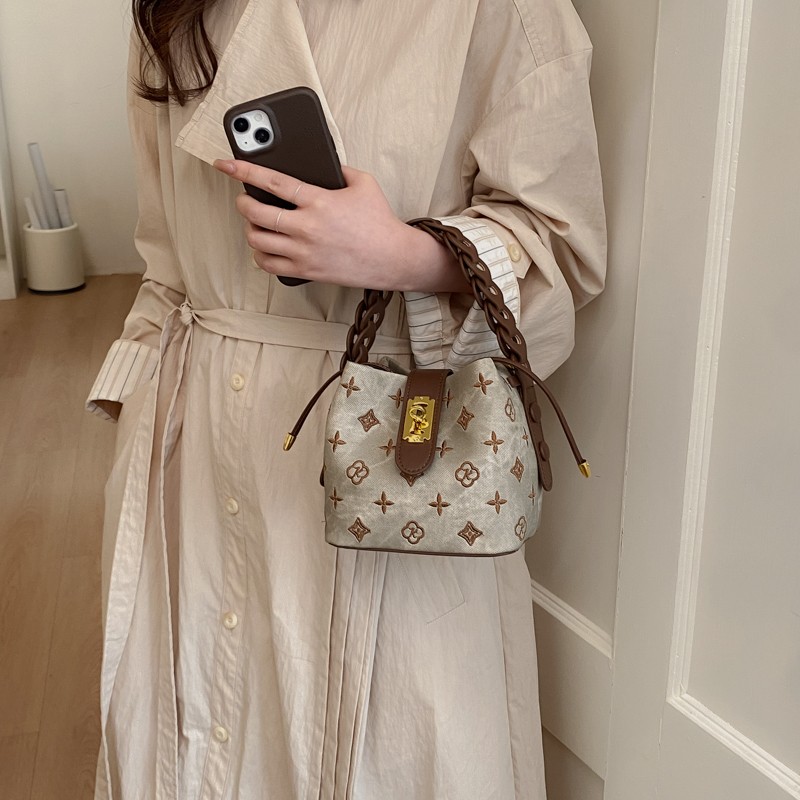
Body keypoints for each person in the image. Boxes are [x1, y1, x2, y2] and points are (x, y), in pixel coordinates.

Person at [86, 0, 606, 797]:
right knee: (191, 735)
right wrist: (132, 426)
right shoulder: (173, 11)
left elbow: (562, 249)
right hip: (193, 442)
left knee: (393, 744)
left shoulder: (501, 12)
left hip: (397, 450)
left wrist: (404, 254)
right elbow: (162, 253)